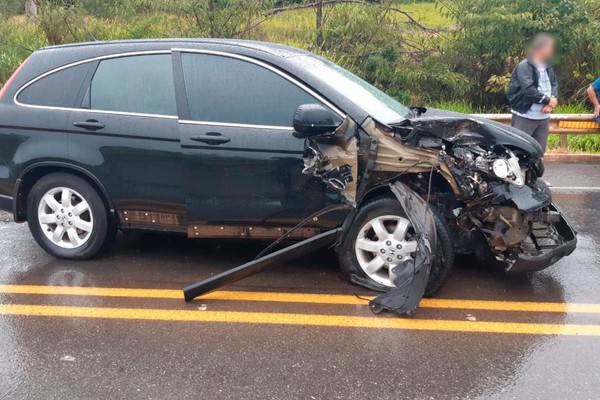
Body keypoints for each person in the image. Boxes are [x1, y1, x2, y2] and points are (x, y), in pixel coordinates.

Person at [507, 33, 558, 154]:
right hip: (525, 116)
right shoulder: (524, 66)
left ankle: (535, 174)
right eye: (550, 47)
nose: (552, 50)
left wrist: (551, 101)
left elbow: (555, 83)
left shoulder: (548, 65)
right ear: (541, 48)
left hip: (543, 118)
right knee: (519, 152)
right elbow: (529, 90)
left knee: (538, 154)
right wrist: (547, 100)